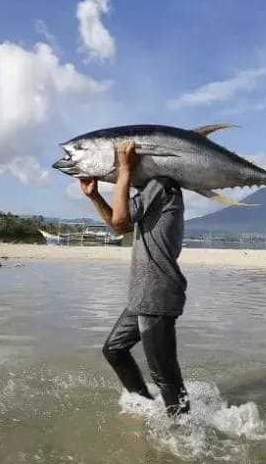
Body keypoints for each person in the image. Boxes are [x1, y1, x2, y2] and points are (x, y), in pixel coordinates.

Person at [80, 141, 190, 416]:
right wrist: (94, 196)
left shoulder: (163, 185)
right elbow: (121, 227)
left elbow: (119, 221)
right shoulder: (148, 192)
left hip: (157, 292)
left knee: (165, 376)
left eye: (128, 158)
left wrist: (125, 169)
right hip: (142, 295)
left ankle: (185, 433)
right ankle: (145, 405)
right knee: (114, 349)